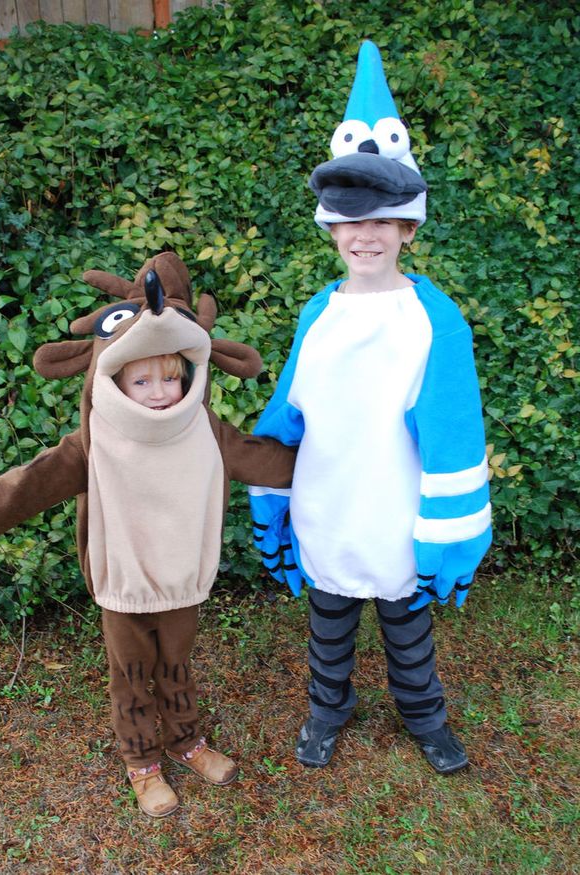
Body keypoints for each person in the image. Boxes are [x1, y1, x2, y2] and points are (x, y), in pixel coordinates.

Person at [0, 252, 296, 817]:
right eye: (143, 378)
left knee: (178, 665)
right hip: (123, 585)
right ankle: (142, 763)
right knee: (133, 674)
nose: (162, 390)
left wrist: (344, 471)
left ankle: (188, 742)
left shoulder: (205, 429)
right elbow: (14, 493)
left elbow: (272, 463)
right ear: (114, 376)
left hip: (182, 579)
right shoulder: (93, 440)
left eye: (171, 376)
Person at [249, 41, 491, 774]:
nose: (367, 233)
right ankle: (330, 706)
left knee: (407, 630)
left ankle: (424, 715)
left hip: (396, 512)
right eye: (350, 220)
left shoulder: (434, 319)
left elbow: (453, 433)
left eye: (385, 219)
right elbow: (289, 408)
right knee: (328, 626)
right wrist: (270, 494)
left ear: (408, 228)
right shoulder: (316, 314)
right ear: (330, 228)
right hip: (330, 505)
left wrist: (449, 533)